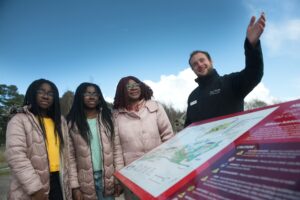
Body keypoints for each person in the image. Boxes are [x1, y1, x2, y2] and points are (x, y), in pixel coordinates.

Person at [185, 13, 266, 127]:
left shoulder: (230, 82)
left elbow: (254, 72)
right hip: (204, 145)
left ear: (211, 61)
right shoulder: (192, 96)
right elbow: (189, 126)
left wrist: (251, 45)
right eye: (194, 64)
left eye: (202, 60)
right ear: (193, 69)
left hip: (234, 144)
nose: (199, 64)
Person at [5, 79, 72, 200]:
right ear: (32, 93)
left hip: (59, 180)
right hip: (32, 184)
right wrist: (35, 188)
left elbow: (67, 153)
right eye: (41, 91)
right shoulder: (19, 120)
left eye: (50, 93)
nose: (46, 96)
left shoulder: (60, 121)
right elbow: (16, 157)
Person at [113, 76, 174, 200]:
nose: (134, 88)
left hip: (159, 170)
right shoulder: (115, 115)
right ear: (122, 90)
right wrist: (119, 176)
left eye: (136, 84)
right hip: (132, 174)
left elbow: (168, 137)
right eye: (129, 86)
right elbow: (117, 149)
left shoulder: (155, 107)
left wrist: (170, 164)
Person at [67, 82, 122, 200]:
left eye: (95, 94)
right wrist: (75, 187)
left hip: (108, 178)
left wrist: (118, 179)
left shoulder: (109, 119)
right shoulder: (71, 123)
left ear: (99, 97)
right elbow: (70, 157)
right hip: (85, 181)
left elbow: (117, 150)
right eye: (87, 93)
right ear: (79, 97)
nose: (91, 96)